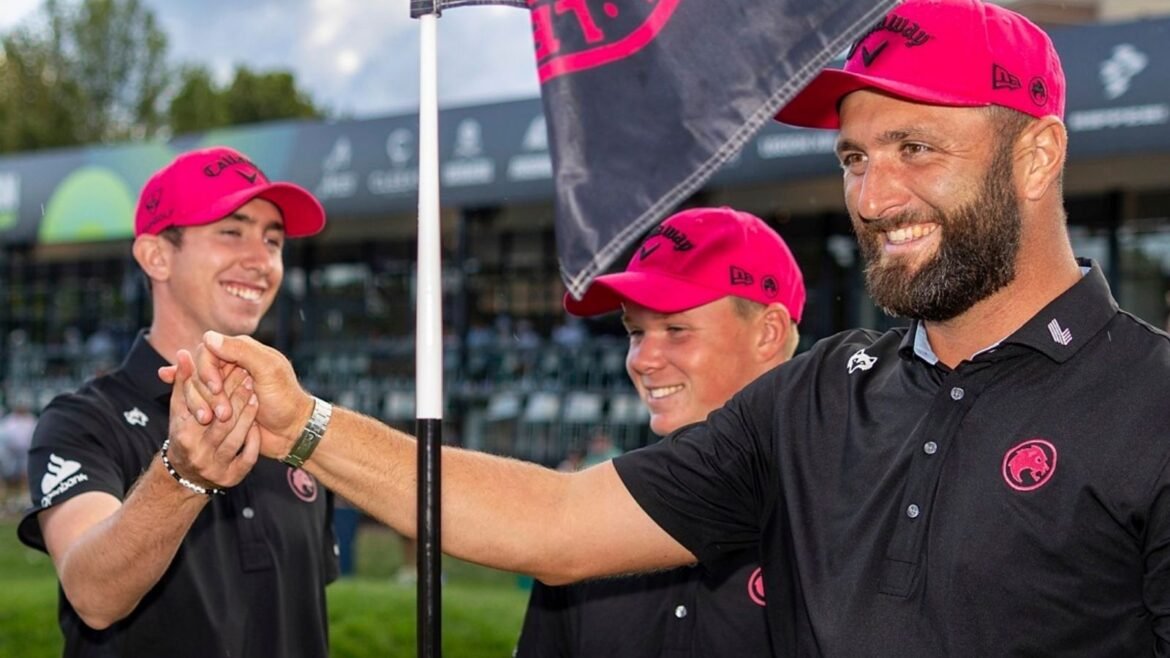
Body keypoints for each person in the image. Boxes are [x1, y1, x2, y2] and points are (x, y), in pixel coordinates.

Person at [168, 1, 1170, 653]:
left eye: (916, 145)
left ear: (1037, 157)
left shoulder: (1152, 402)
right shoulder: (819, 393)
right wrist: (303, 421)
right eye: (855, 157)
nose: (875, 193)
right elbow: (555, 524)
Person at [18, 146, 338, 657]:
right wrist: (181, 475)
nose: (261, 261)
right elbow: (93, 594)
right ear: (156, 256)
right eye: (232, 231)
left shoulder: (296, 421)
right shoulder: (82, 421)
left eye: (273, 240)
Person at [515, 207, 805, 657]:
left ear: (768, 334)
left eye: (675, 329)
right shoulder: (592, 526)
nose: (642, 360)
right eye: (635, 332)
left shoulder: (841, 514)